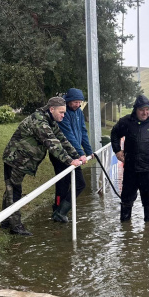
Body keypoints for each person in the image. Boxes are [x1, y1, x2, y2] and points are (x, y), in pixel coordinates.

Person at [0, 97, 87, 236]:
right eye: (61, 112)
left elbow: (62, 140)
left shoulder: (50, 121)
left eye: (64, 113)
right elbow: (52, 143)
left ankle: (5, 221)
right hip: (15, 159)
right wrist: (69, 160)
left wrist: (77, 155)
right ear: (51, 109)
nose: (63, 115)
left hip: (23, 160)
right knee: (13, 191)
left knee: (11, 190)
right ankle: (15, 226)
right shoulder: (39, 121)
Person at [109, 94, 149, 223]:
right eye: (141, 110)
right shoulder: (126, 122)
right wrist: (117, 150)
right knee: (127, 199)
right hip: (130, 168)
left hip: (148, 168)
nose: (145, 113)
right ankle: (125, 228)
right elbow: (115, 133)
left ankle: (148, 226)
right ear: (136, 110)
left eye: (147, 109)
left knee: (148, 200)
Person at [49, 87, 93, 222]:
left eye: (80, 102)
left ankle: (59, 211)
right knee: (72, 183)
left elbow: (83, 132)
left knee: (70, 183)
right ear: (68, 101)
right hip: (61, 154)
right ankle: (60, 211)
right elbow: (68, 135)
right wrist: (80, 153)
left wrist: (89, 151)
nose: (78, 105)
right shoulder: (63, 113)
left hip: (74, 154)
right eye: (75, 102)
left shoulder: (79, 112)